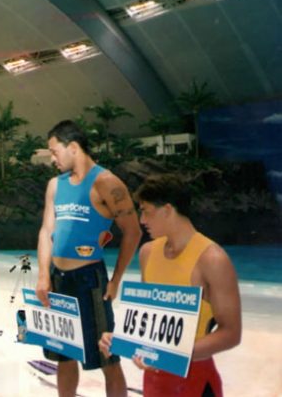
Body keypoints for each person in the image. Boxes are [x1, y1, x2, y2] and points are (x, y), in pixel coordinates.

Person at [99, 174, 242, 396]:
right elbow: (150, 320)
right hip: (155, 382)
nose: (142, 220)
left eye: (146, 211)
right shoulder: (148, 253)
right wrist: (121, 340)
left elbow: (231, 333)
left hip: (195, 380)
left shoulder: (212, 258)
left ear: (167, 209)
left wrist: (171, 356)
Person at [36, 120, 142, 397]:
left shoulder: (106, 183)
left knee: (107, 355)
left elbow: (132, 232)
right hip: (58, 280)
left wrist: (117, 279)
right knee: (64, 354)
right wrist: (43, 276)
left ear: (73, 147)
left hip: (90, 279)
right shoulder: (54, 186)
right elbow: (47, 231)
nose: (52, 158)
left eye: (54, 151)